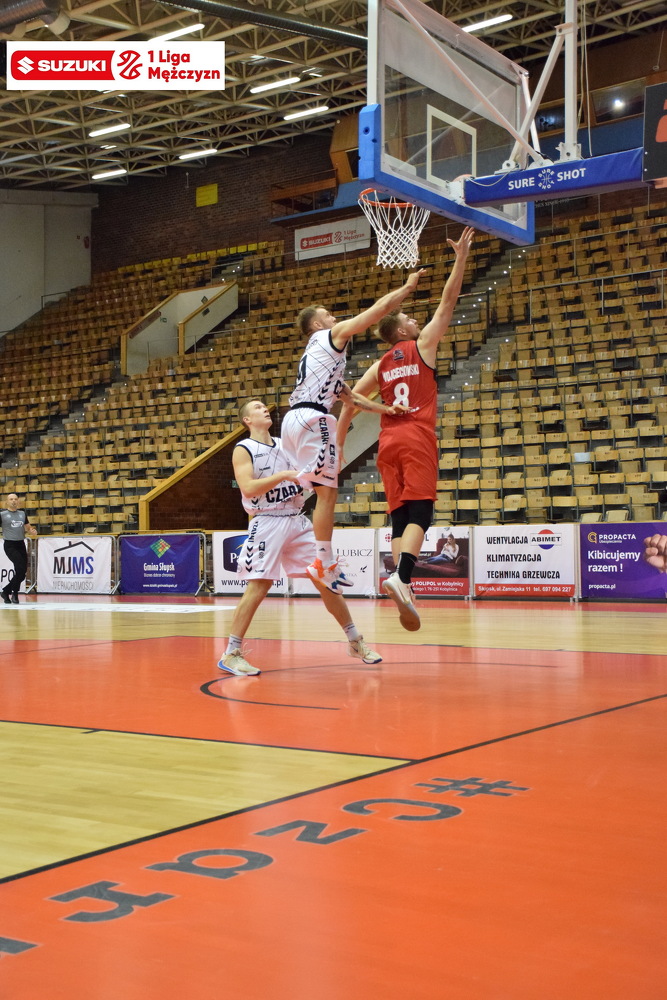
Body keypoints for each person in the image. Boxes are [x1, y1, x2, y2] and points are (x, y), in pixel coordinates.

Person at [337, 227, 475, 631]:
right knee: (422, 513)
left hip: (387, 443)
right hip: (415, 436)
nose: (416, 321)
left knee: (399, 517)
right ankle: (403, 577)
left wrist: (342, 441)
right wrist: (461, 259)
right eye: (410, 318)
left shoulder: (380, 364)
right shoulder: (423, 346)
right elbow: (448, 301)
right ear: (400, 332)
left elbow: (348, 399)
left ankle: (403, 585)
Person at [280, 269, 425, 593]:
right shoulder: (330, 336)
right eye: (328, 315)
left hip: (293, 419)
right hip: (313, 417)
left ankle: (311, 554)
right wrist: (406, 288)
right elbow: (376, 312)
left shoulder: (320, 358)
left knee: (308, 491)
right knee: (327, 493)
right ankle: (323, 561)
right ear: (317, 325)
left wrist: (387, 409)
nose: (334, 318)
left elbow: (352, 398)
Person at [217, 399, 383, 676]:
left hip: (296, 518)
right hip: (267, 520)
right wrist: (284, 475)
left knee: (325, 578)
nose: (264, 409)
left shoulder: (286, 444)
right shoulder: (243, 449)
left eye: (264, 406)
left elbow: (309, 473)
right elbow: (247, 488)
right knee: (259, 586)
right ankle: (231, 653)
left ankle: (355, 641)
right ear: (247, 420)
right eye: (257, 407)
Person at [1, 492, 37, 604]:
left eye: (15, 499)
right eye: (11, 499)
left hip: (21, 544)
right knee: (20, 568)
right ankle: (15, 594)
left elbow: (28, 527)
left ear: (18, 501)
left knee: (22, 572)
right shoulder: (2, 514)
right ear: (7, 501)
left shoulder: (22, 513)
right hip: (10, 545)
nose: (13, 501)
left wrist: (32, 531)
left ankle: (6, 591)